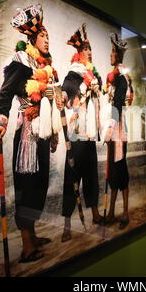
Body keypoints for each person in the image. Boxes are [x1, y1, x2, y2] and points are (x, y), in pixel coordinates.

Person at [0, 4, 62, 263]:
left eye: (48, 36)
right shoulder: (20, 62)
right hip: (27, 134)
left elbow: (52, 103)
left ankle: (31, 234)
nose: (47, 40)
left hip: (43, 132)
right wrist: (1, 121)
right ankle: (26, 245)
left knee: (40, 185)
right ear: (32, 38)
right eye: (43, 35)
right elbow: (5, 94)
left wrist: (53, 135)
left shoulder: (45, 66)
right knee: (26, 186)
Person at [60, 23, 104, 242]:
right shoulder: (73, 74)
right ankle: (67, 224)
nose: (89, 51)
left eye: (90, 49)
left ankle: (95, 212)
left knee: (91, 175)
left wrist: (95, 86)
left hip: (90, 134)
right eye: (85, 48)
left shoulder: (93, 75)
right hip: (76, 134)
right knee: (72, 178)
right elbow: (65, 95)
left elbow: (100, 97)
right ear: (78, 53)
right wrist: (74, 96)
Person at [102, 33, 134, 230]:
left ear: (118, 55)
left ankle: (125, 212)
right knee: (113, 171)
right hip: (113, 127)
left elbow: (119, 105)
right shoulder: (114, 77)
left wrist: (111, 128)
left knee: (120, 170)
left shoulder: (121, 78)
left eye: (113, 52)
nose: (111, 55)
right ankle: (112, 210)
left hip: (119, 129)